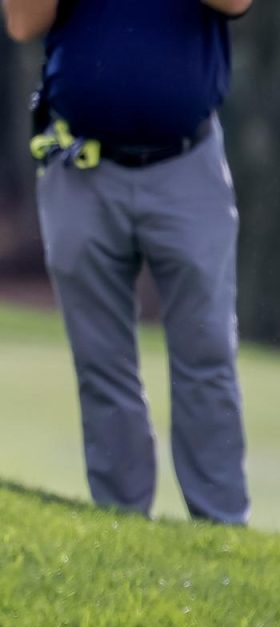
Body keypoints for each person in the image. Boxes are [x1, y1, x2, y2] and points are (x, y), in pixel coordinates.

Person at [4, 0, 254, 524]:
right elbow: (24, 22)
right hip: (81, 167)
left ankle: (221, 529)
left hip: (189, 164)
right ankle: (120, 524)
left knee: (206, 352)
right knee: (102, 361)